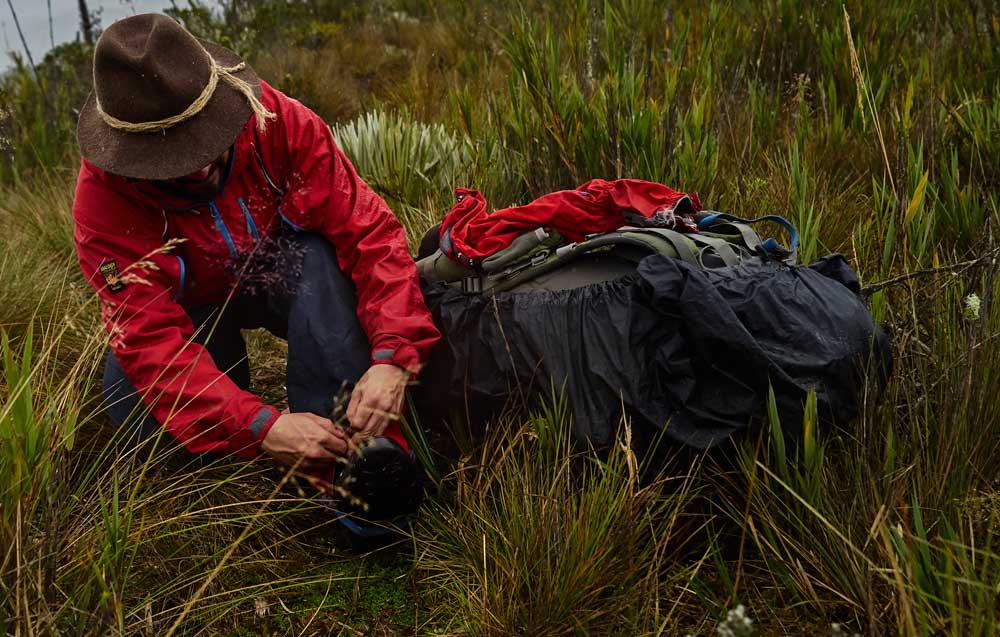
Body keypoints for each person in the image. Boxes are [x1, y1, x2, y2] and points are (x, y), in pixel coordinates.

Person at [71, 14, 440, 531]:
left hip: (281, 271)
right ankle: (261, 436)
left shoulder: (278, 122)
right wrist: (259, 426)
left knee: (321, 265)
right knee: (139, 419)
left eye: (203, 138)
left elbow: (370, 237)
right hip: (191, 308)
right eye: (171, 155)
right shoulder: (103, 203)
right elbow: (151, 342)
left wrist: (394, 357)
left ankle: (352, 474)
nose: (199, 165)